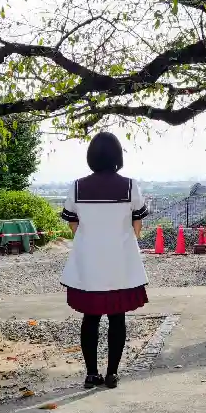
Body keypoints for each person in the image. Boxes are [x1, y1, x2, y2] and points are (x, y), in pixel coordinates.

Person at [59, 132, 149, 389]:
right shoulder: (129, 186)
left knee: (90, 317)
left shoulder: (77, 187)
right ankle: (111, 374)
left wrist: (90, 239)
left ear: (91, 157)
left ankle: (91, 373)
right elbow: (137, 224)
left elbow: (73, 224)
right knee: (117, 318)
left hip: (88, 263)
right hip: (120, 261)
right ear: (117, 156)